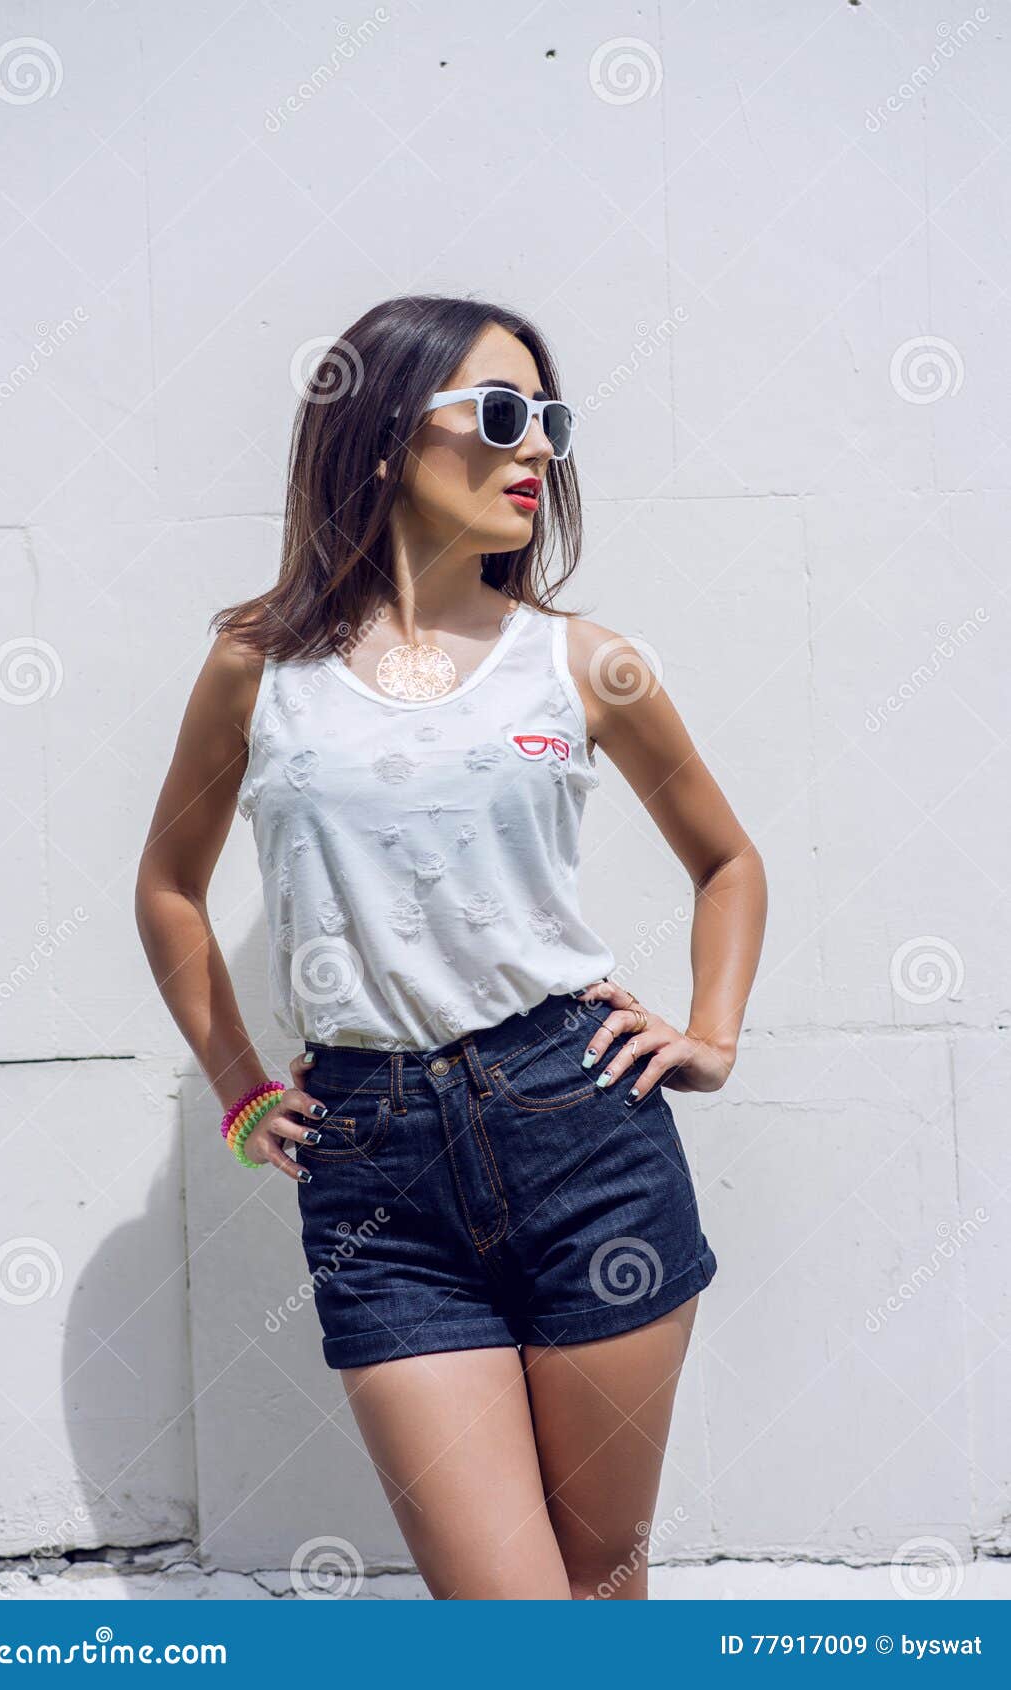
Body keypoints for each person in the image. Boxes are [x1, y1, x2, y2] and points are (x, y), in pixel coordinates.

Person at [135, 293, 767, 1600]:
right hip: (376, 1170)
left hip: (585, 1132)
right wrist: (245, 1089)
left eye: (549, 420)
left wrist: (712, 1032)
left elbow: (729, 860)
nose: (535, 448)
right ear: (379, 439)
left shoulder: (585, 666)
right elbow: (169, 889)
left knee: (601, 1577)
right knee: (504, 1619)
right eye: (497, 414)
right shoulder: (257, 667)